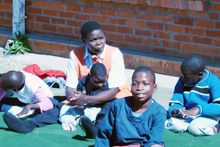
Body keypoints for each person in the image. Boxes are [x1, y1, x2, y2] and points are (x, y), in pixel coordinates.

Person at [65, 21, 132, 110]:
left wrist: (86, 99)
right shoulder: (75, 55)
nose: (99, 43)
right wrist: (74, 99)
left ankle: (94, 122)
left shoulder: (115, 54)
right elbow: (70, 87)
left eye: (101, 38)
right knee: (60, 109)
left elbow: (112, 92)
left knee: (111, 109)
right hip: (85, 97)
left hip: (113, 97)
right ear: (84, 41)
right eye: (93, 40)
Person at [95, 66, 166, 147]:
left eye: (145, 84)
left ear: (154, 88)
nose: (139, 88)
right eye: (135, 84)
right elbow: (104, 134)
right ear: (131, 87)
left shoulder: (159, 112)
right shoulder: (118, 105)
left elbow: (153, 140)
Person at [165, 54, 220, 136]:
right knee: (174, 124)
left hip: (207, 115)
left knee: (195, 128)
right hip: (188, 115)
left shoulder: (213, 81)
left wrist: (198, 109)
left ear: (200, 74)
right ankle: (188, 126)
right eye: (183, 75)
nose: (183, 79)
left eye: (187, 77)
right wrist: (175, 111)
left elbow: (218, 106)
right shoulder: (183, 80)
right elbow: (176, 101)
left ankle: (215, 128)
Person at [59, 63, 114, 138]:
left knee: (98, 113)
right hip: (82, 108)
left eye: (103, 81)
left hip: (95, 109)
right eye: (96, 82)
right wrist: (76, 100)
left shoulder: (104, 87)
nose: (100, 85)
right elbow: (78, 95)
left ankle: (91, 127)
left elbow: (95, 101)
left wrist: (84, 99)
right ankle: (71, 122)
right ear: (89, 75)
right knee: (64, 109)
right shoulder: (83, 81)